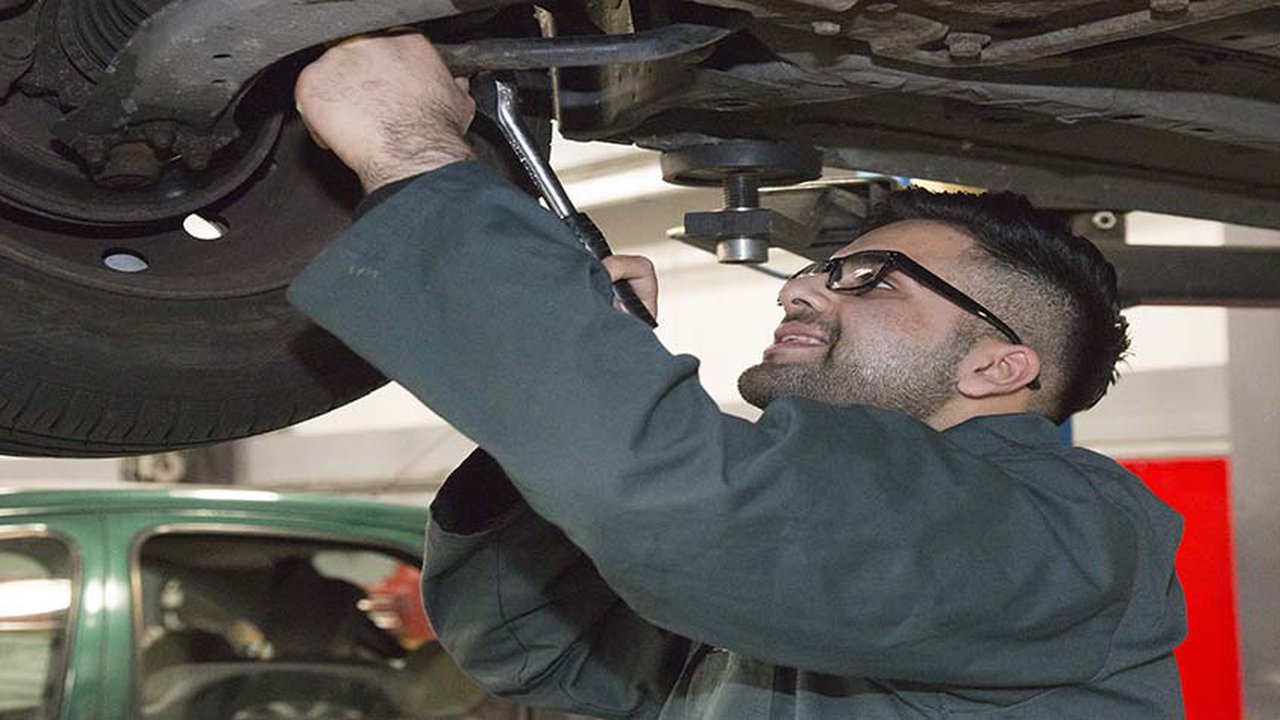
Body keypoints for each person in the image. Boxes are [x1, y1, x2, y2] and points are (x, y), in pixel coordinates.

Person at [289, 32, 1186, 719]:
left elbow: (678, 501)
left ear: (999, 366)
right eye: (816, 267)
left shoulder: (1064, 529)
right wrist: (549, 403)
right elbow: (534, 654)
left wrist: (413, 153)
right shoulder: (825, 551)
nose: (799, 286)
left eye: (869, 279)